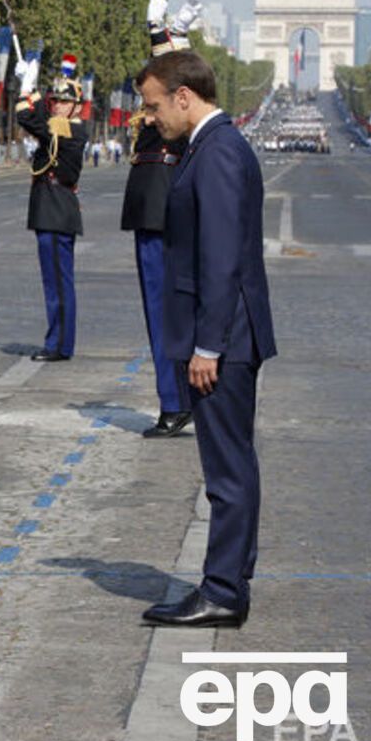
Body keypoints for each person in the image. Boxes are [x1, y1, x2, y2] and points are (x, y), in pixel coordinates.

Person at [138, 49, 275, 629]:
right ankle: (231, 578)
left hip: (224, 338)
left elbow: (220, 259)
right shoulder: (213, 146)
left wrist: (208, 347)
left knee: (226, 471)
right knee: (234, 463)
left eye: (153, 105)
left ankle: (222, 589)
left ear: (184, 96)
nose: (149, 118)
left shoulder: (217, 153)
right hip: (231, 333)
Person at [125, 0, 192, 438]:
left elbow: (169, 82)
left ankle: (175, 401)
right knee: (170, 311)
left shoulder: (172, 110)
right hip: (156, 205)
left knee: (163, 310)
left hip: (159, 208)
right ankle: (179, 397)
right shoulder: (162, 108)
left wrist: (159, 35)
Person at [16, 62, 89, 362]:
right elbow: (39, 120)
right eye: (55, 100)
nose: (58, 105)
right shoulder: (59, 126)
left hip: (57, 210)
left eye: (65, 101)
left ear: (76, 106)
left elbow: (27, 118)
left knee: (58, 282)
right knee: (54, 281)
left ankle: (59, 344)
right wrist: (31, 90)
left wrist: (25, 89)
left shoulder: (72, 128)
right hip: (51, 208)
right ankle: (58, 340)